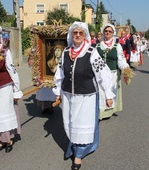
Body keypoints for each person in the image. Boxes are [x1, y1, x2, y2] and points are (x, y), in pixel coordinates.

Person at [52, 21, 114, 170]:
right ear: (72, 35)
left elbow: (103, 74)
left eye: (81, 33)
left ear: (85, 35)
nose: (78, 35)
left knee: (82, 126)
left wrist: (108, 94)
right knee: (70, 123)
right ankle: (73, 146)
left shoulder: (91, 52)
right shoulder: (66, 52)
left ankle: (78, 156)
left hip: (87, 96)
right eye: (75, 33)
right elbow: (60, 74)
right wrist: (57, 92)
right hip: (68, 95)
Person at [0, 25, 23, 153]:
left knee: (5, 113)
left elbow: (12, 70)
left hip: (4, 88)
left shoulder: (4, 51)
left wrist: (16, 89)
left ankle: (8, 140)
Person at [96, 23, 134, 120]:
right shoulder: (98, 46)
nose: (107, 33)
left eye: (110, 31)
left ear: (113, 33)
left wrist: (126, 69)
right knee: (101, 93)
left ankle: (108, 112)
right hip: (100, 74)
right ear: (103, 32)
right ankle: (100, 113)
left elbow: (121, 60)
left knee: (110, 92)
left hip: (113, 74)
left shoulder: (117, 46)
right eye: (106, 31)